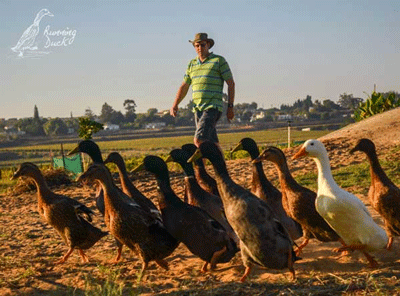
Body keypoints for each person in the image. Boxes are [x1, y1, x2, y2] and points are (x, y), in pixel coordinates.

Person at [170, 33, 235, 148]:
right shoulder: (192, 64)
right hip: (198, 108)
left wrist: (230, 106)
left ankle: (200, 166)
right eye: (197, 45)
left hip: (212, 107)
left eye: (202, 45)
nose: (200, 48)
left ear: (208, 45)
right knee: (212, 142)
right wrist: (175, 104)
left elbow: (231, 84)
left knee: (199, 140)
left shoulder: (218, 61)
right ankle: (221, 165)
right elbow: (184, 86)